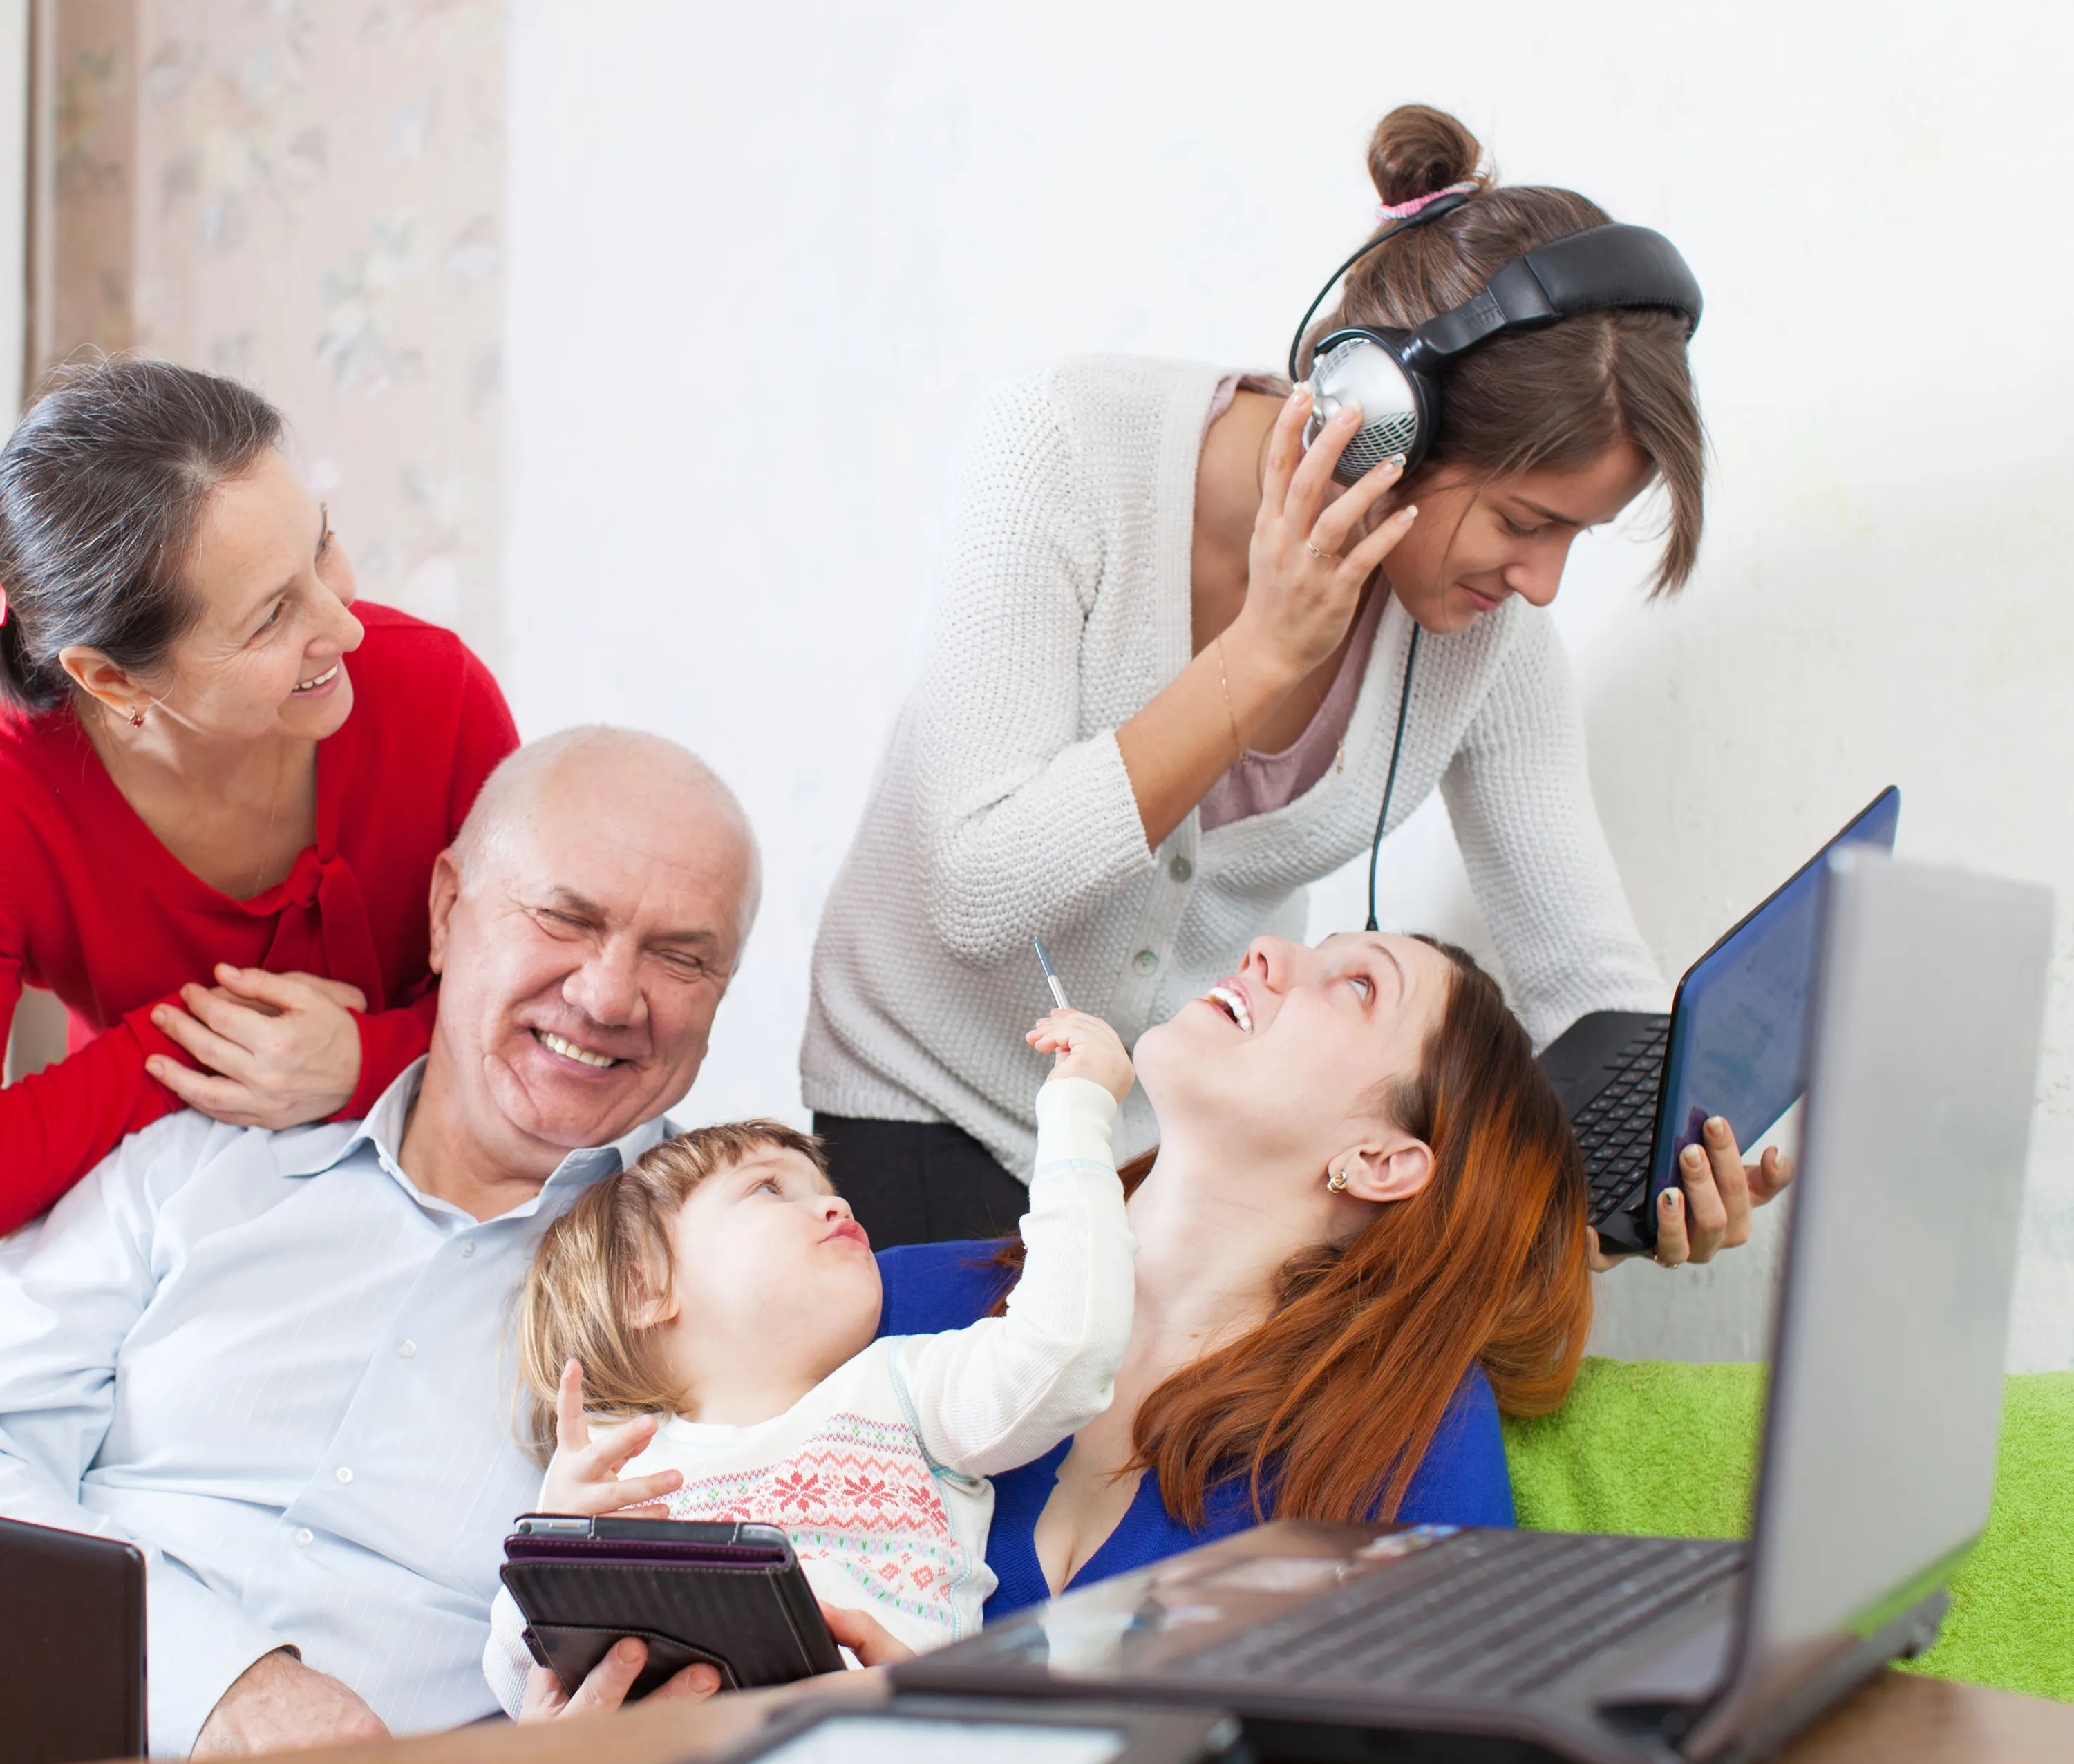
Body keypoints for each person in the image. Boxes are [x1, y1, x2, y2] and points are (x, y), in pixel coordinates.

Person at [800, 104, 1789, 1254]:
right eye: (1526, 522)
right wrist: (1261, 656)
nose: (1543, 584)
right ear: (1382, 428)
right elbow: (973, 892)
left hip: (1170, 1150)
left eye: (1578, 535)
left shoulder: (1485, 640)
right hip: (929, 1103)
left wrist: (1658, 1156)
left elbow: (1586, 983)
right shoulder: (1066, 449)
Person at [0, 728, 753, 1754]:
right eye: (565, 919)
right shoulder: (189, 1167)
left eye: (680, 956)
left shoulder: (729, 1276)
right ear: (449, 911)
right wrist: (223, 1684)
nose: (606, 995)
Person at [0, 357, 516, 1276]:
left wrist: (363, 1061)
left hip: (450, 1224)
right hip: (170, 1248)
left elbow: (546, 1022)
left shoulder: (437, 694)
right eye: (272, 616)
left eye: (321, 546)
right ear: (112, 679)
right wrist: (190, 1047)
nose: (346, 625)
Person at [878, 931, 1646, 1613]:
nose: (1267, 950)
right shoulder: (894, 1300)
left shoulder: (1407, 1432)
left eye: (1358, 984)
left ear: (1379, 1162)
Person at [484, 1001, 1134, 1714]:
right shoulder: (619, 1471)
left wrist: (1078, 1114)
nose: (837, 1205)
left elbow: (1066, 1349)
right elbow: (523, 1689)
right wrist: (556, 1555)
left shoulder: (906, 1388)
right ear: (644, 1284)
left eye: (827, 1190)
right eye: (769, 1188)